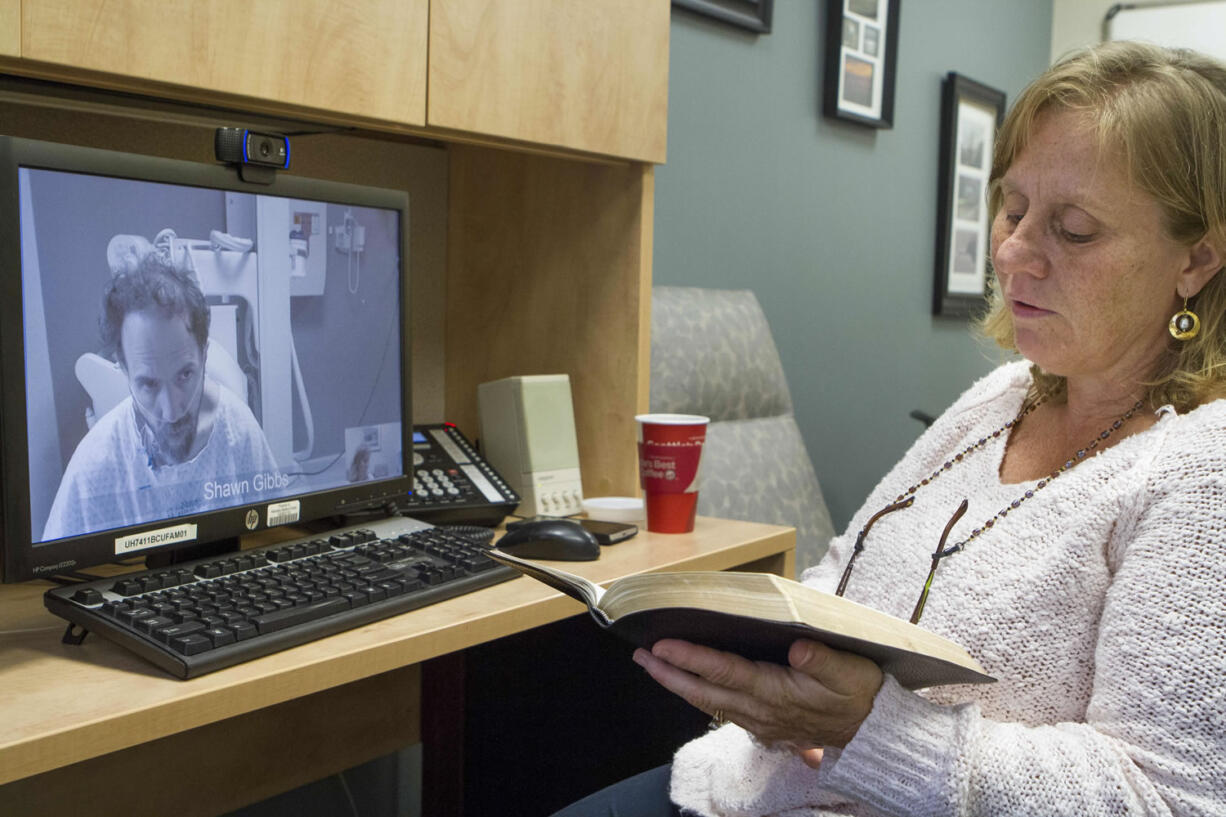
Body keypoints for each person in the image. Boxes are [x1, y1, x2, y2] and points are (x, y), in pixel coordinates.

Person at [553, 40, 1226, 816]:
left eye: (1073, 231)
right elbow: (843, 577)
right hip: (759, 781)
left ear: (1197, 258)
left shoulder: (1199, 469)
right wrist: (750, 664)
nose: (1012, 251)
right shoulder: (1001, 399)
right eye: (1013, 208)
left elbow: (1165, 798)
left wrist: (870, 727)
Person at [43, 253, 282, 540]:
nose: (172, 411)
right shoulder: (95, 467)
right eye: (149, 384)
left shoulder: (239, 432)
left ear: (204, 354)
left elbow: (275, 533)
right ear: (124, 369)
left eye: (184, 375)